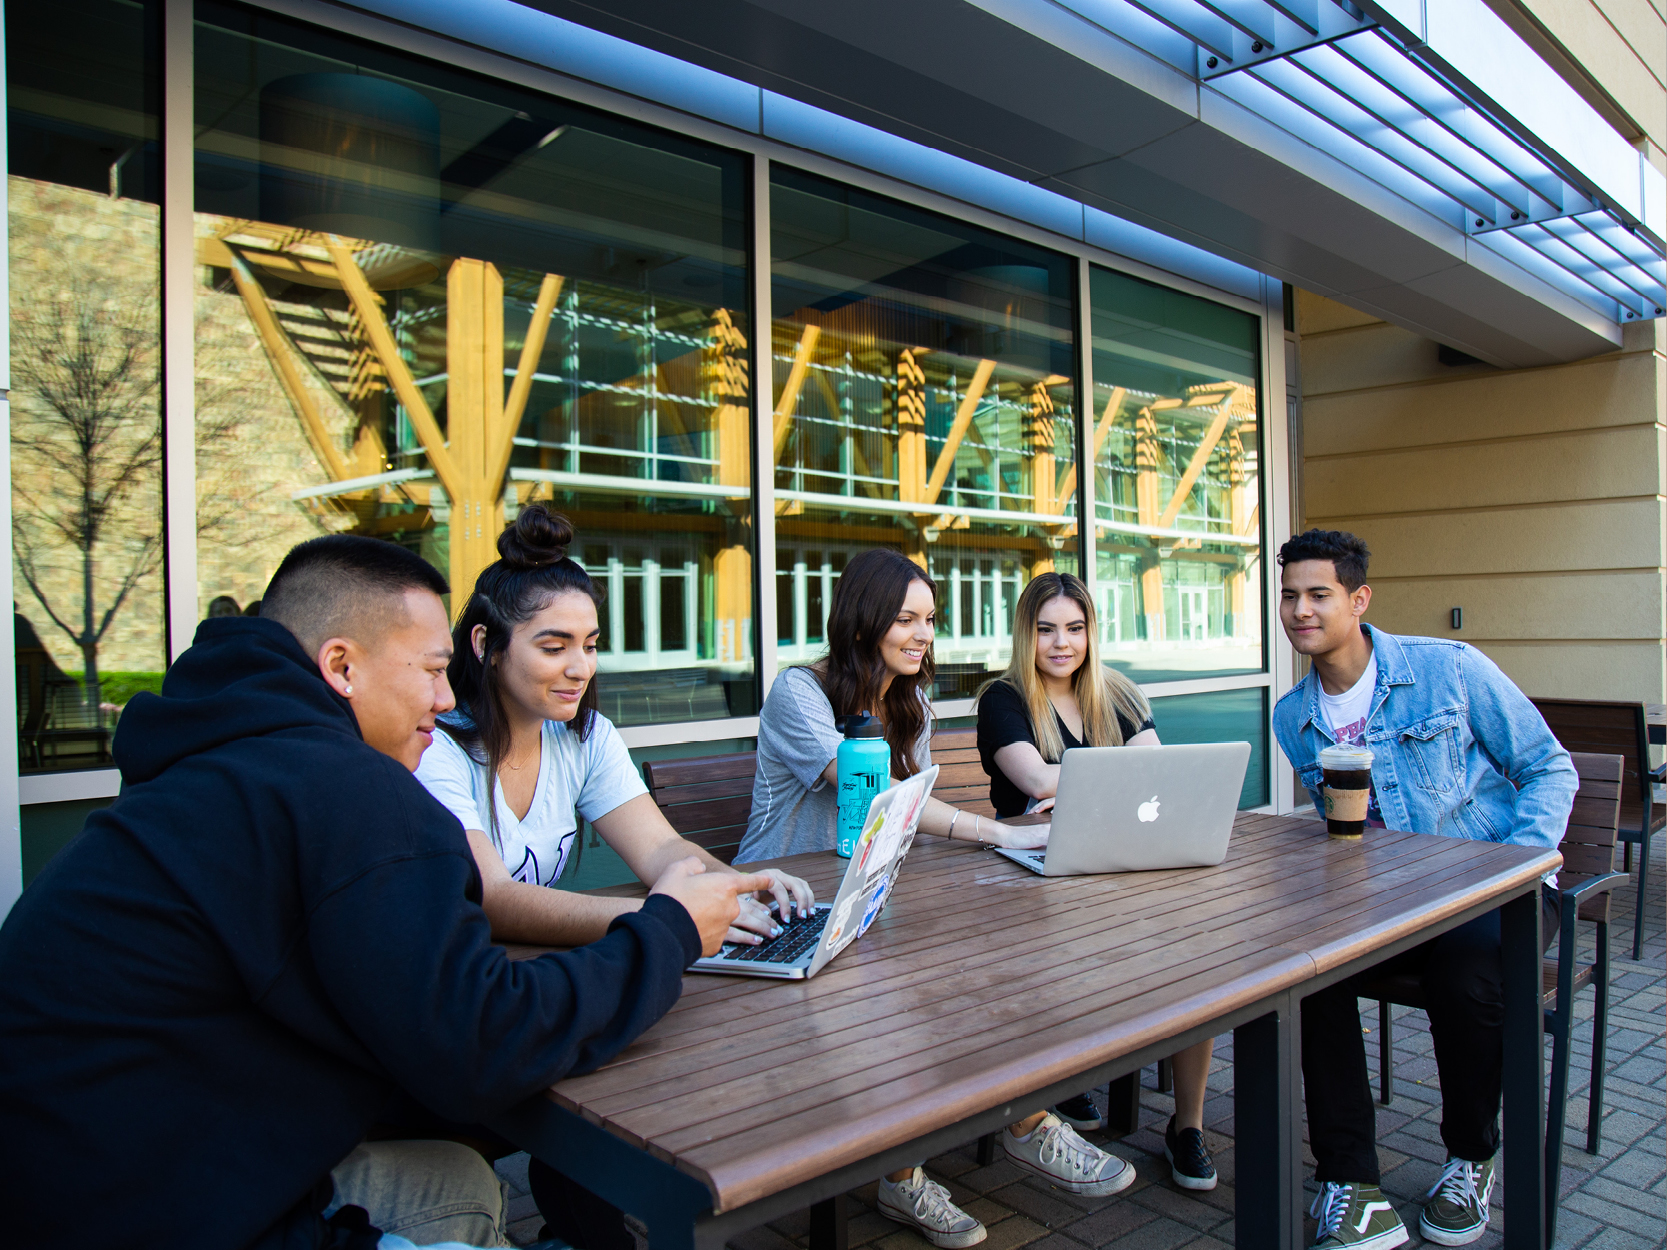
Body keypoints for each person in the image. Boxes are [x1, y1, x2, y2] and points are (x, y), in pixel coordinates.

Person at [0, 534, 768, 1249]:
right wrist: (665, 931)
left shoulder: (224, 765)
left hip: (103, 1158)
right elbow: (483, 1044)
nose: (443, 699)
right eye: (432, 670)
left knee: (461, 1183)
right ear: (341, 667)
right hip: (143, 1207)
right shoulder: (346, 788)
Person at [415, 505, 816, 1248]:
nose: (579, 667)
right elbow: (494, 898)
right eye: (553, 645)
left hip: (553, 989)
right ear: (485, 644)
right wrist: (668, 922)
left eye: (591, 646)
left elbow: (662, 851)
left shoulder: (583, 734)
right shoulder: (438, 749)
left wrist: (740, 883)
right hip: (473, 1012)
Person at [737, 548, 1132, 1249]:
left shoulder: (910, 700)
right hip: (787, 905)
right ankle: (910, 1169)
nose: (923, 634)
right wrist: (1000, 833)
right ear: (862, 622)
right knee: (912, 979)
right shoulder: (799, 692)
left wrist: (1000, 838)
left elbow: (911, 808)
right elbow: (889, 800)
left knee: (993, 954)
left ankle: (1019, 1121)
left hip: (867, 895)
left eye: (929, 620)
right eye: (905, 619)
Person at [1273, 529, 1575, 1250]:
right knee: (1304, 969)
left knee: (1466, 968)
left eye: (1318, 594)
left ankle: (1472, 1157)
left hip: (1498, 892)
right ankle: (1350, 1180)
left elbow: (1548, 767)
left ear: (1357, 598)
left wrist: (1510, 870)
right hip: (1391, 904)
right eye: (1288, 596)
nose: (1300, 610)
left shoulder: (1449, 670)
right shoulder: (1294, 716)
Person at [976, 571, 1219, 1192]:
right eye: (1046, 629)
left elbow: (1159, 774)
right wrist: (1118, 774)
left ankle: (1185, 1125)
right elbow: (1033, 781)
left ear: (1091, 632)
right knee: (1086, 947)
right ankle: (1069, 1080)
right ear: (1026, 634)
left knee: (1195, 958)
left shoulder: (1119, 693)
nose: (1062, 643)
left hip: (1120, 859)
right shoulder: (1003, 699)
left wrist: (1081, 784)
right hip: (1035, 875)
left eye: (1075, 628)